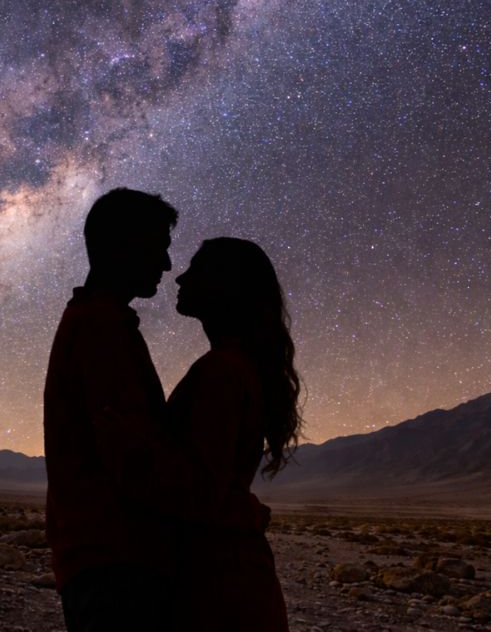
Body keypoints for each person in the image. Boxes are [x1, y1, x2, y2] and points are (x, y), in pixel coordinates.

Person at [44, 189, 268, 632]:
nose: (169, 268)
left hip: (117, 558)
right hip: (117, 559)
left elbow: (177, 470)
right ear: (123, 245)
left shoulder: (106, 326)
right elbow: (142, 463)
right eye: (160, 249)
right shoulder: (101, 328)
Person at [167, 237, 301, 631]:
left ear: (224, 285)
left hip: (221, 586)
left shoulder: (223, 371)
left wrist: (123, 443)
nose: (179, 278)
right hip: (231, 576)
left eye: (196, 269)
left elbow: (198, 489)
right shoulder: (236, 366)